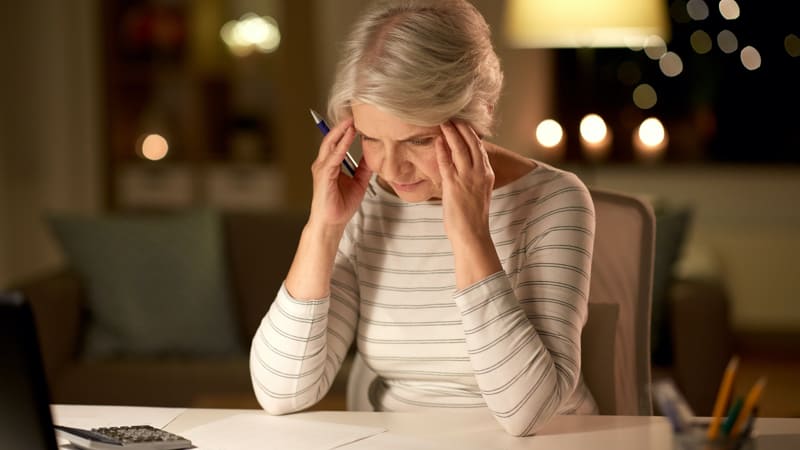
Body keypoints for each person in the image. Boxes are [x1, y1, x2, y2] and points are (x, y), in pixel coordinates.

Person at [250, 0, 597, 436]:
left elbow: (527, 412)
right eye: (372, 138)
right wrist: (323, 228)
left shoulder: (554, 199)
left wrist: (470, 234)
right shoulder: (371, 200)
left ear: (480, 115)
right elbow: (281, 391)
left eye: (418, 140)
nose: (392, 170)